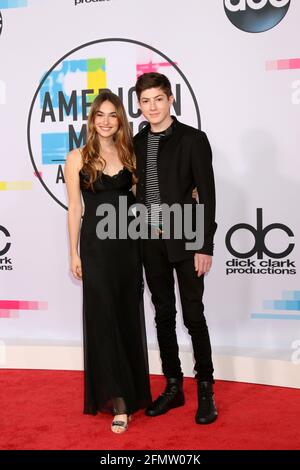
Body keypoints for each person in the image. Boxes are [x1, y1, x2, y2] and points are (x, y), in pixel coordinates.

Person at [64, 91, 152, 434]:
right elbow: (75, 208)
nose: (105, 120)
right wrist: (73, 252)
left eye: (112, 115)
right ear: (91, 119)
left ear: (120, 120)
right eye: (99, 114)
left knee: (127, 315)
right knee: (104, 320)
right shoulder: (76, 158)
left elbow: (142, 201)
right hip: (97, 249)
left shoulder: (130, 154)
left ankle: (131, 389)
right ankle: (118, 401)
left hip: (128, 247)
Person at [133, 72, 218, 424]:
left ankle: (205, 390)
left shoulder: (193, 140)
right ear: (139, 106)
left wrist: (204, 244)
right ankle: (173, 386)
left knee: (194, 316)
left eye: (158, 99)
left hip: (187, 240)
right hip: (149, 242)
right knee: (163, 316)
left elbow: (207, 195)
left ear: (171, 100)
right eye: (145, 101)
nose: (152, 106)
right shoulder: (136, 143)